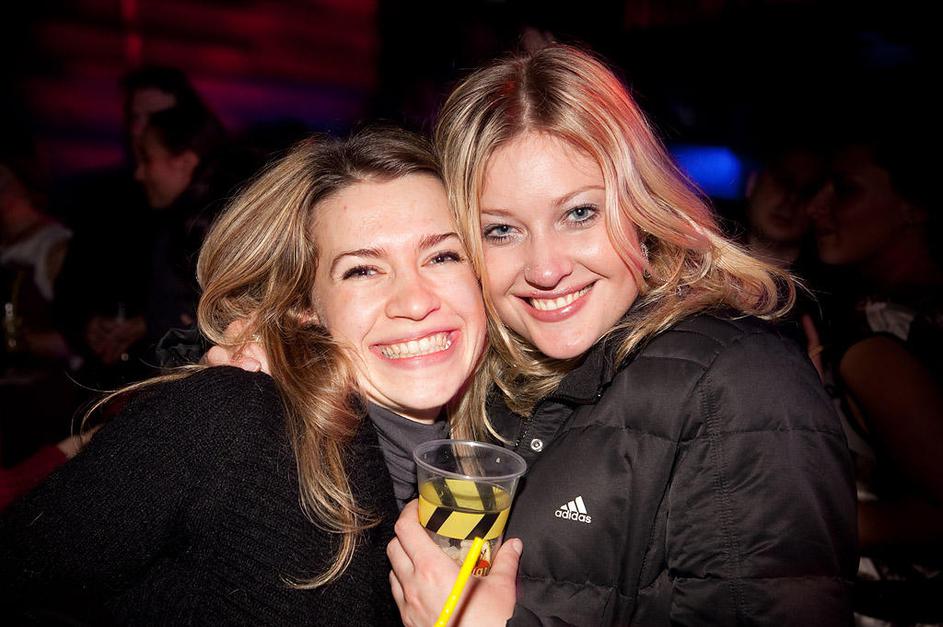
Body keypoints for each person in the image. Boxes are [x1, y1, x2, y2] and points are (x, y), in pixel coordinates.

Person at [387, 44, 857, 626]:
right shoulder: (496, 384)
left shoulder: (741, 384)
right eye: (501, 230)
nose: (545, 268)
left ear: (641, 207)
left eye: (579, 214)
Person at [0, 127, 490, 624]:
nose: (415, 301)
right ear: (304, 305)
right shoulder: (234, 418)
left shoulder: (513, 448)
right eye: (362, 270)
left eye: (442, 256)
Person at [807, 132, 943, 624]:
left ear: (913, 206)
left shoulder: (875, 344)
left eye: (845, 190)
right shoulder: (882, 318)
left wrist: (792, 512)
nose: (817, 207)